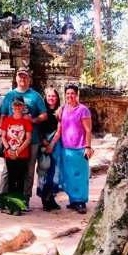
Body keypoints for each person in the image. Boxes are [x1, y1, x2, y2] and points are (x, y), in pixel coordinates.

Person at [0, 67, 47, 210]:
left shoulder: (35, 96)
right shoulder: (9, 96)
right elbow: (2, 115)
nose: (22, 79)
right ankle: (2, 197)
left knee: (29, 170)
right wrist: (1, 137)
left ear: (29, 79)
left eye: (25, 77)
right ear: (16, 79)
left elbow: (44, 115)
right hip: (11, 140)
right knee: (8, 170)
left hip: (31, 140)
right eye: (20, 77)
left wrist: (32, 120)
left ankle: (24, 199)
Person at [51, 84, 93, 214]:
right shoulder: (62, 109)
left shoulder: (83, 110)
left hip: (80, 148)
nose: (70, 96)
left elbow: (88, 130)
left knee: (80, 176)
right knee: (69, 176)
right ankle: (73, 201)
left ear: (77, 94)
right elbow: (59, 131)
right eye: (68, 93)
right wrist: (51, 144)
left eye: (72, 93)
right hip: (66, 149)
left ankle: (81, 202)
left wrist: (88, 147)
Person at [0, 97, 32, 215]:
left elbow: (28, 139)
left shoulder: (26, 122)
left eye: (19, 105)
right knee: (11, 180)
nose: (17, 107)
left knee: (20, 180)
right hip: (9, 153)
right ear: (12, 107)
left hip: (22, 154)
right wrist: (8, 149)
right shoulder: (7, 120)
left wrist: (18, 151)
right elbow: (3, 136)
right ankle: (11, 206)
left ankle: (18, 207)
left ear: (23, 107)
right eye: (15, 105)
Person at [37, 87, 62, 211]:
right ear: (45, 98)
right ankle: (44, 199)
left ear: (57, 98)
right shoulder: (42, 112)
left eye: (54, 96)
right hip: (43, 143)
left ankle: (51, 197)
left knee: (55, 172)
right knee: (44, 170)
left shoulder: (60, 112)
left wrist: (51, 144)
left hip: (55, 143)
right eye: (49, 96)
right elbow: (38, 128)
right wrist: (44, 142)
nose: (51, 98)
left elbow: (59, 129)